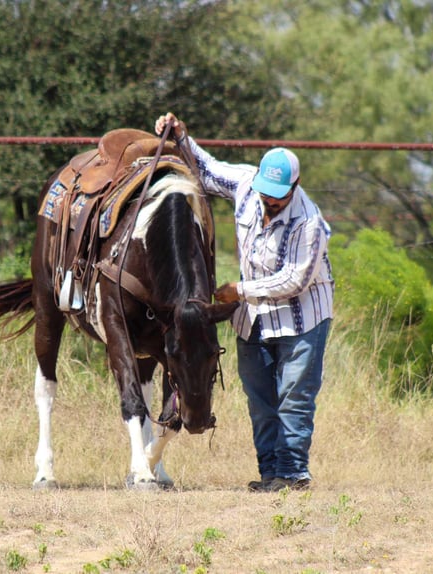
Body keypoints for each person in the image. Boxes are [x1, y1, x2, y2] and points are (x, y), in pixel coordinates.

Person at [154, 112, 334, 492]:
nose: (268, 200)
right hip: (253, 321)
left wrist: (239, 291)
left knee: (294, 398)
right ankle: (270, 474)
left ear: (295, 186)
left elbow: (295, 280)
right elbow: (208, 169)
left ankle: (292, 474)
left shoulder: (310, 223)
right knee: (260, 400)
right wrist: (181, 135)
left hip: (303, 320)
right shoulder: (248, 186)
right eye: (265, 191)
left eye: (277, 195)